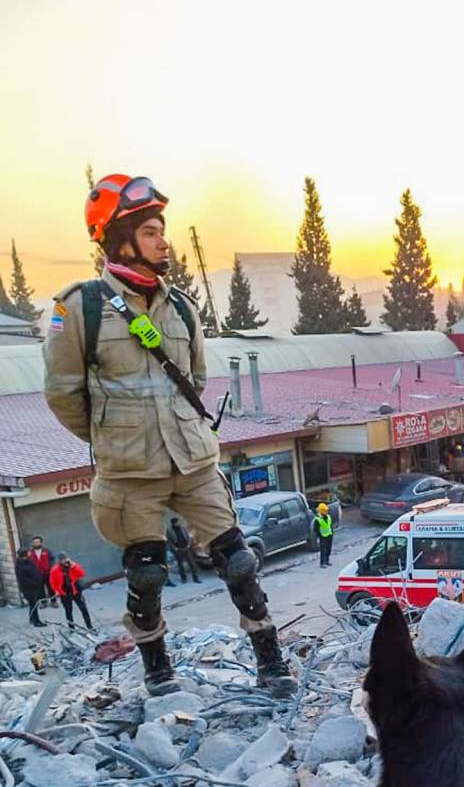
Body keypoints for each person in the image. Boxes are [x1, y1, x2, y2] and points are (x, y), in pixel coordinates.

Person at [43, 174, 295, 697]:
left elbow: (195, 380)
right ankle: (158, 671)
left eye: (163, 230)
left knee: (239, 559)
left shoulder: (180, 307)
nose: (164, 241)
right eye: (152, 232)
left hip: (194, 461)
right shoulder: (79, 309)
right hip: (130, 473)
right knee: (148, 575)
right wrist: (115, 437)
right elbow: (64, 395)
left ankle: (270, 660)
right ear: (120, 240)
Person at [49, 553, 94, 630]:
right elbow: (53, 582)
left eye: (66, 559)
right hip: (65, 592)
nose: (65, 561)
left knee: (83, 609)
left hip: (75, 590)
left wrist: (74, 567)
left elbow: (82, 574)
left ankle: (89, 626)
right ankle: (71, 628)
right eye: (63, 560)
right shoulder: (55, 570)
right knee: (68, 611)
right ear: (59, 561)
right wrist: (59, 591)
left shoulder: (73, 566)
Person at [15, 548, 47, 628]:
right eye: (28, 552)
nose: (30, 553)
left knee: (33, 604)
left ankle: (32, 618)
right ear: (24, 554)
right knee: (34, 604)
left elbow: (35, 570)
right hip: (28, 588)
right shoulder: (20, 565)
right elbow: (23, 579)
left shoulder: (29, 561)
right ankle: (36, 621)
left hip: (34, 587)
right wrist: (34, 583)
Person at [167, 517, 202, 584]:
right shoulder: (170, 531)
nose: (179, 523)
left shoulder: (183, 528)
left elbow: (187, 537)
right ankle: (184, 578)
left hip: (186, 548)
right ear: (174, 523)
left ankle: (196, 578)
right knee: (181, 565)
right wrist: (174, 548)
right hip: (178, 549)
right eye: (178, 522)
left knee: (192, 564)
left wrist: (189, 544)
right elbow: (169, 541)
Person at [28, 536, 56, 608]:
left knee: (51, 588)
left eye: (37, 542)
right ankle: (43, 602)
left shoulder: (46, 551)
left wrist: (51, 567)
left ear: (41, 543)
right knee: (40, 589)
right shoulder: (30, 552)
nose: (36, 544)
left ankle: (53, 601)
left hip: (48, 573)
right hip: (37, 574)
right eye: (34, 542)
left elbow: (52, 559)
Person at [312, 503, 334, 569]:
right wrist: (320, 535)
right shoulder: (318, 519)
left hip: (329, 535)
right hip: (323, 537)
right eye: (325, 510)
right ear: (321, 511)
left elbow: (330, 525)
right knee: (323, 550)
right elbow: (315, 529)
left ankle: (327, 561)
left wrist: (332, 532)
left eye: (327, 510)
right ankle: (322, 563)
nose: (326, 512)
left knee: (328, 549)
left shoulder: (328, 517)